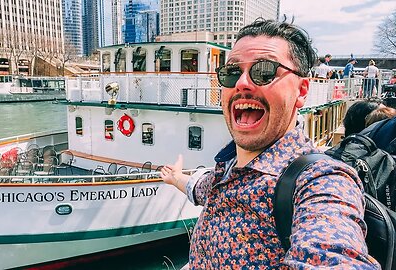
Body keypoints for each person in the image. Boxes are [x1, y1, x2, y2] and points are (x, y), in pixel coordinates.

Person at [160, 18, 380, 269]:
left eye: (264, 71)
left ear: (302, 91)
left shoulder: (322, 180)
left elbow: (332, 254)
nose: (242, 82)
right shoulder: (227, 168)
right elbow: (200, 187)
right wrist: (175, 177)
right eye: (232, 72)